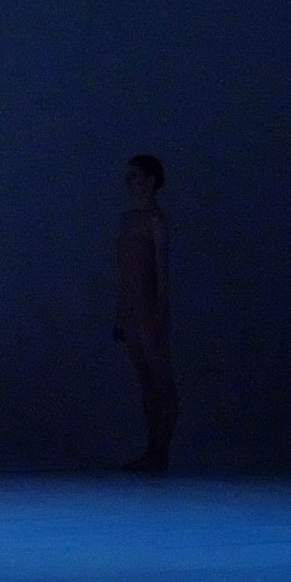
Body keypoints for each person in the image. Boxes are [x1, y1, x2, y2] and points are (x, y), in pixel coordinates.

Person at [114, 154, 178, 473]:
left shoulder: (156, 221)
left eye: (135, 176)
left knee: (161, 381)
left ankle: (160, 450)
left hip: (149, 309)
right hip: (132, 310)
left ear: (150, 180)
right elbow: (125, 272)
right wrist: (121, 313)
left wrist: (160, 312)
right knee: (145, 382)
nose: (129, 182)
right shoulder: (128, 220)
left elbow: (161, 272)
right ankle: (151, 448)